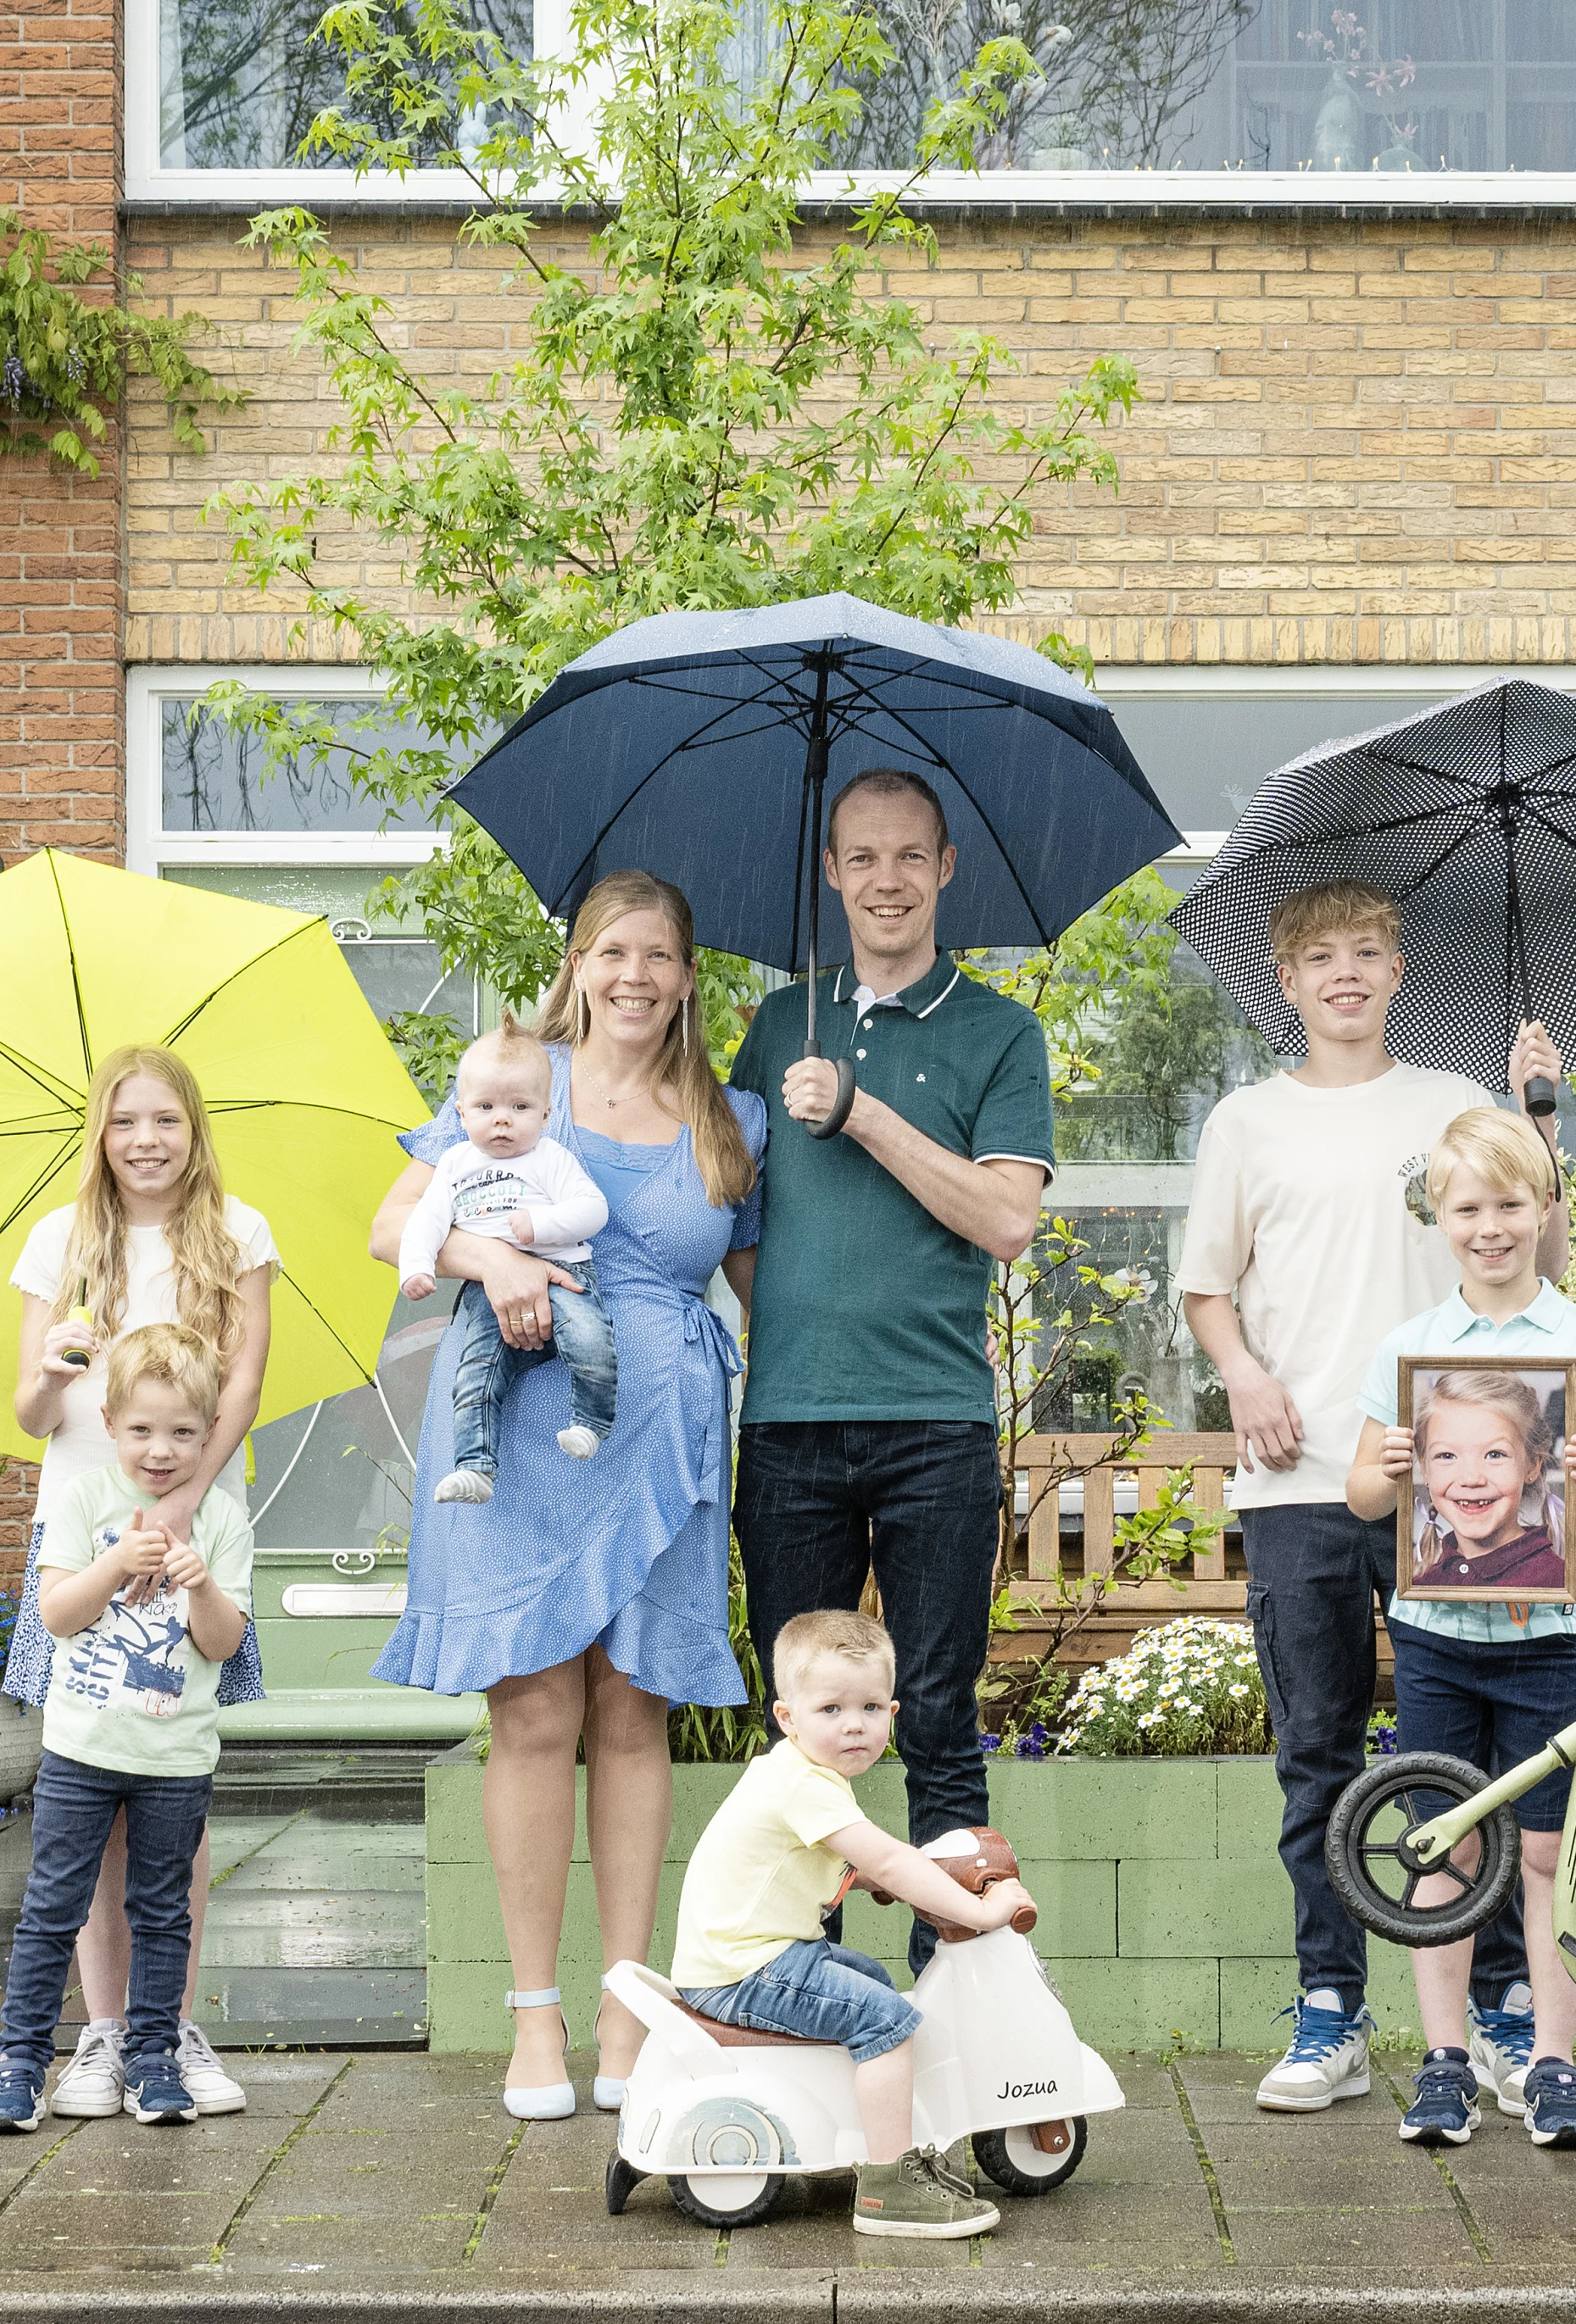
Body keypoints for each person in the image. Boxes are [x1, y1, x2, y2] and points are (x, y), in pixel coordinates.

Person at [370, 870, 763, 2121]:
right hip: (518, 1423)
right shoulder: (515, 1079)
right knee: (534, 1711)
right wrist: (490, 1255)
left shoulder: (731, 1118)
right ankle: (534, 2016)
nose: (633, 975)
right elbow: (394, 1224)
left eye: (657, 954)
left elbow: (762, 1292)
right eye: (610, 952)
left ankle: (625, 2009)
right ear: (578, 966)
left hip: (662, 1440)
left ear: (687, 976)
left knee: (634, 1712)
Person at [1175, 879, 1564, 2117]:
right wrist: (1244, 1377)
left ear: (1398, 971)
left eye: (1365, 952)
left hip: (1456, 1486)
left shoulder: (1454, 1104)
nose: (1344, 972)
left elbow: (1541, 1260)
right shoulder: (1246, 1120)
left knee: (1475, 1758)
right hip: (1298, 1474)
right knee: (1317, 1753)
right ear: (1286, 981)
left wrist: (1537, 1118)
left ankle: (1500, 2010)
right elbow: (1206, 1287)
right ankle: (1330, 2007)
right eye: (1319, 957)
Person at [728, 767, 1050, 1976]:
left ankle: (952, 1985)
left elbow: (1006, 1220)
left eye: (910, 855)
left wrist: (860, 1111)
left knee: (940, 1723)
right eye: (862, 856)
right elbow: (735, 1220)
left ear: (946, 867)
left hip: (935, 1427)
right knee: (801, 1737)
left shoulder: (1001, 1031)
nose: (887, 879)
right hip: (791, 1425)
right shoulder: (778, 1023)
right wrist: (800, 1321)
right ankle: (798, 1986)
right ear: (831, 872)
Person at [1346, 1106, 1576, 2149]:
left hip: (1547, 1643)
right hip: (1435, 1641)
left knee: (1547, 1856)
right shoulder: (1409, 1347)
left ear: (1545, 1209)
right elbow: (1360, 1497)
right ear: (1438, 1218)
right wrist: (1389, 1469)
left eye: (1510, 1206)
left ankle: (1554, 2066)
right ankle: (1444, 2064)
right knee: (1441, 1849)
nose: (1490, 1228)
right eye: (1468, 1209)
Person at [4, 1043, 276, 2120]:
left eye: (165, 1119)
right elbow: (30, 1413)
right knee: (92, 1790)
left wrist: (180, 1506)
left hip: (194, 1532)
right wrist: (52, 1371)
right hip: (84, 1536)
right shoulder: (62, 1242)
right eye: (125, 1122)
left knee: (172, 1795)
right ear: (100, 1135)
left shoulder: (239, 1232)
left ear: (193, 1129)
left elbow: (243, 1386)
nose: (146, 1140)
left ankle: (170, 2028)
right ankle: (105, 2033)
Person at [0, 1323, 257, 2132]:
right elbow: (58, 1614)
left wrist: (200, 1587)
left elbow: (222, 1643)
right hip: (81, 1751)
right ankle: (20, 2063)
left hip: (176, 1756)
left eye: (183, 1433)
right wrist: (115, 1564)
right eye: (141, 1430)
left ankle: (154, 2058)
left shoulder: (222, 1522)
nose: (161, 1450)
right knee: (51, 1906)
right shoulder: (83, 1501)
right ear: (108, 1424)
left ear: (211, 1433)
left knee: (164, 1912)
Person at [672, 1610, 1031, 2241]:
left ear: (892, 1714)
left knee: (871, 1981)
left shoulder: (796, 1772)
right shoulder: (807, 1787)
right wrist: (979, 1911)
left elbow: (844, 1862)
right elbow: (888, 1858)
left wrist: (876, 1880)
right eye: (831, 1709)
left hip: (752, 1956)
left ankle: (859, 2133)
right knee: (886, 2020)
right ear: (788, 1717)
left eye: (869, 1708)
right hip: (745, 1969)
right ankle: (890, 2188)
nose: (854, 1724)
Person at [398, 1014, 618, 1504]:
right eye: (486, 1106)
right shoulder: (454, 1164)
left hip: (564, 1273)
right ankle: (474, 1465)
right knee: (476, 1369)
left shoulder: (550, 1158)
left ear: (545, 1114)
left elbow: (593, 1210)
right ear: (460, 1113)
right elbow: (425, 1221)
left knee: (590, 1339)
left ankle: (591, 1421)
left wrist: (541, 1226)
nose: (502, 1118)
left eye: (520, 1106)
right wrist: (416, 1266)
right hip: (486, 1290)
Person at [1401, 1370, 1573, 1597]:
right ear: (1424, 1468)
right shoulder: (1421, 1584)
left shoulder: (1558, 1581)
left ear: (1532, 1465)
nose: (1471, 1479)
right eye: (1447, 1456)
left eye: (1494, 1455)